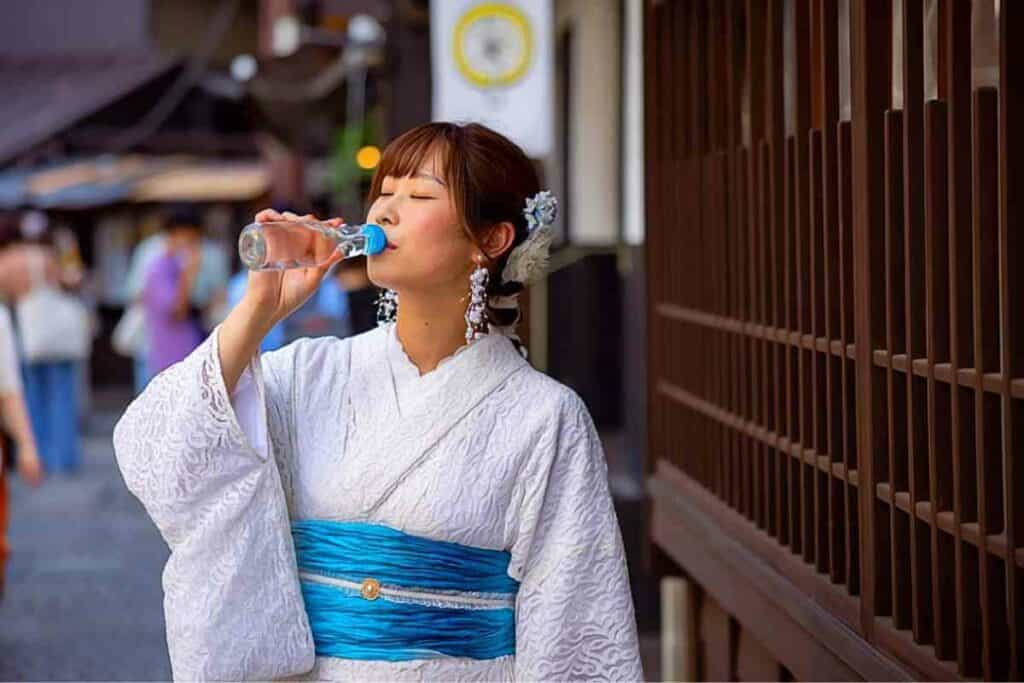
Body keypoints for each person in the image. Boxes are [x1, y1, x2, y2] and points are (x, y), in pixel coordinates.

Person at [113, 122, 643, 681]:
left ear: (491, 240)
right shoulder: (308, 373)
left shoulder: (545, 416)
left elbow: (574, 623)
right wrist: (259, 310)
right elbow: (162, 457)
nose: (385, 212)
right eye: (383, 193)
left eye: (417, 196)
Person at [140, 207, 208, 376]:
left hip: (184, 357)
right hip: (171, 361)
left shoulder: (175, 266)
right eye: (191, 239)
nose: (194, 246)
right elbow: (177, 311)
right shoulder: (160, 268)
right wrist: (190, 274)